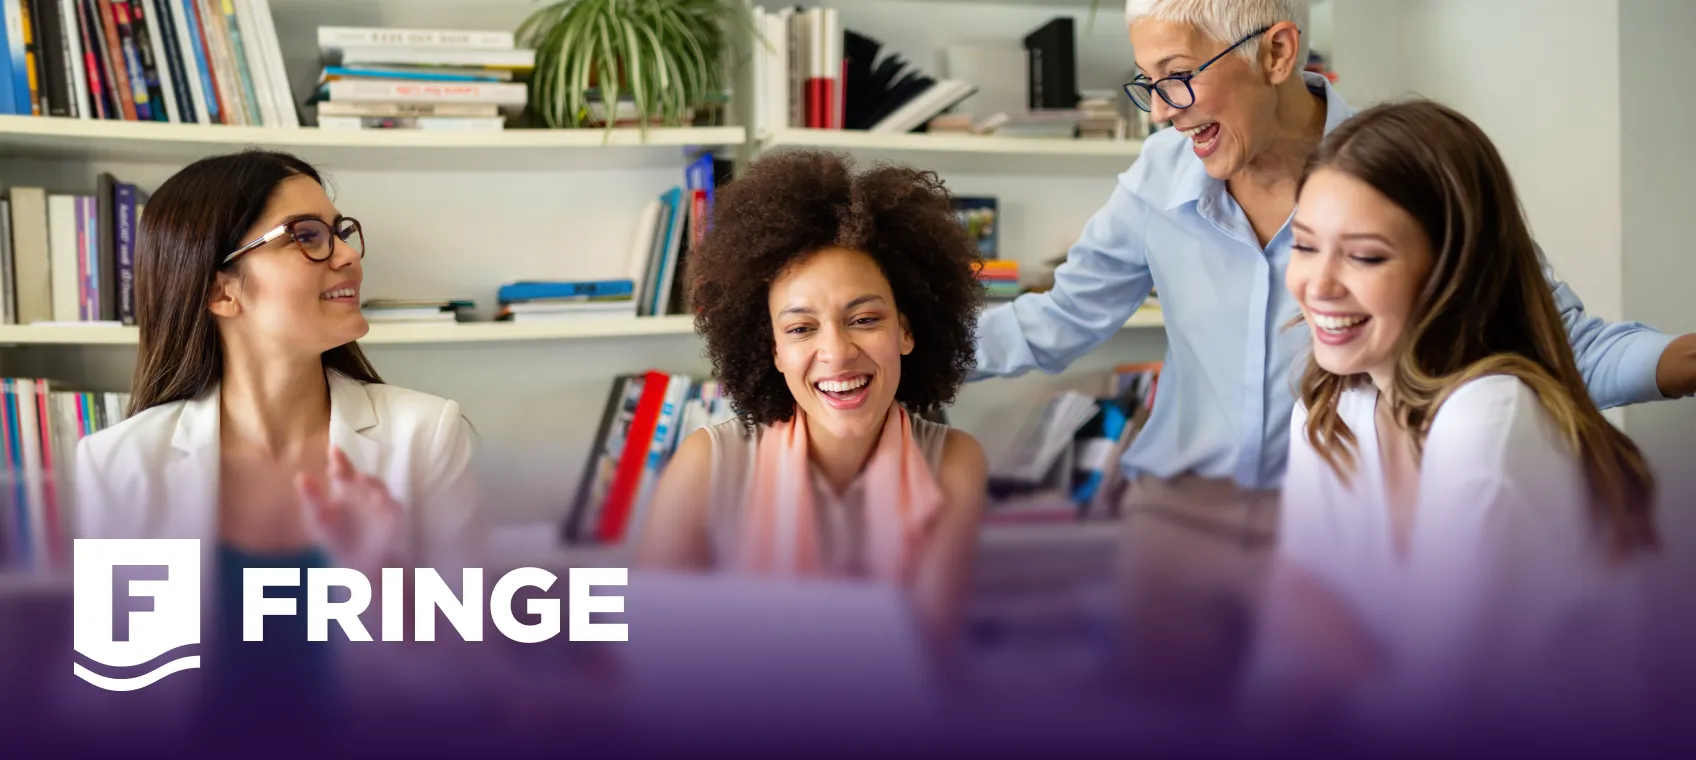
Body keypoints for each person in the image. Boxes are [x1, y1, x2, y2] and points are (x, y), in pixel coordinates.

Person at [967, 0, 1695, 704]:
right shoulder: (1166, 188)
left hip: (1351, 523)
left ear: (1278, 52)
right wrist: (894, 346)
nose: (1159, 107)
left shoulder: (1401, 173)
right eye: (1148, 81)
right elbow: (1059, 317)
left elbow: (1555, 338)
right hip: (1187, 523)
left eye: (1177, 74)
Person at [1245, 99, 1659, 745]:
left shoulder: (1489, 415)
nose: (1316, 284)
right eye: (1303, 245)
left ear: (1451, 273)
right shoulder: (1329, 417)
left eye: (1366, 256)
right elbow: (1292, 676)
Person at [70, 150, 485, 737]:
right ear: (222, 292)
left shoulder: (426, 436)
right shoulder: (120, 464)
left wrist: (378, 574)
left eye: (339, 232)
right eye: (306, 236)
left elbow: (472, 685)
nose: (347, 255)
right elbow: (118, 703)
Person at [636, 149, 989, 645]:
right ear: (774, 351)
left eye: (864, 320)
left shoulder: (954, 461)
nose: (836, 353)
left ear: (906, 332)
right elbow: (646, 658)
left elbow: (929, 656)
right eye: (801, 328)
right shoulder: (708, 464)